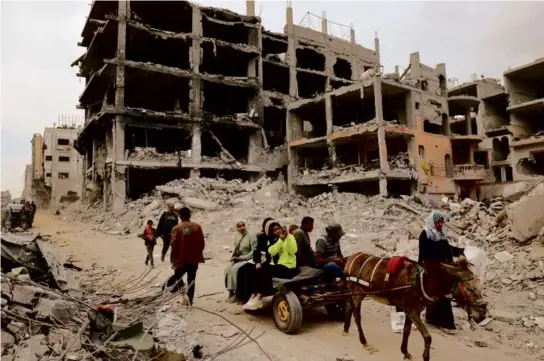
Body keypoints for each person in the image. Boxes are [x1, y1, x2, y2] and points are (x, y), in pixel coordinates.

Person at [419, 211, 463, 330]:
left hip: (443, 266)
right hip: (431, 266)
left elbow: (447, 249)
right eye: (438, 222)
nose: (440, 224)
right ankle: (437, 320)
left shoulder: (441, 234)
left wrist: (459, 251)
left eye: (442, 222)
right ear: (432, 222)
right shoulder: (425, 234)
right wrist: (439, 252)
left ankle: (442, 321)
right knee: (438, 293)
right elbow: (425, 252)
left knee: (446, 293)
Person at [243, 220, 298, 311]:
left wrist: (287, 237)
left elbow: (293, 250)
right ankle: (255, 296)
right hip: (281, 266)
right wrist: (281, 240)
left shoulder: (290, 237)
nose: (277, 231)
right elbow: (271, 251)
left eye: (278, 229)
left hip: (289, 268)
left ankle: (259, 297)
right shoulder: (276, 240)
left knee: (265, 271)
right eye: (275, 230)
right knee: (259, 270)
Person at [170, 207, 205, 306]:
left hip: (181, 259)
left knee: (178, 277)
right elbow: (202, 244)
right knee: (191, 279)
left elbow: (173, 245)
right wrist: (197, 254)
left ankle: (183, 294)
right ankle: (190, 299)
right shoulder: (197, 227)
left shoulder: (176, 228)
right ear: (189, 215)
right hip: (194, 259)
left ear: (180, 216)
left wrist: (173, 260)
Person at [235, 217, 273, 304]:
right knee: (242, 270)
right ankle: (242, 297)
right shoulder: (261, 236)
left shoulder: (276, 237)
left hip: (269, 262)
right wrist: (258, 261)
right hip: (260, 260)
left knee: (252, 272)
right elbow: (257, 251)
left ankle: (254, 295)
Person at [224, 221, 257, 303]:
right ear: (237, 228)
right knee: (227, 269)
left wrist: (243, 258)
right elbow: (237, 249)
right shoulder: (238, 236)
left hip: (249, 258)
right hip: (239, 258)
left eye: (243, 225)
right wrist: (235, 257)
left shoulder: (251, 236)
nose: (242, 227)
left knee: (235, 269)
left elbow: (254, 250)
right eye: (239, 226)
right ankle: (231, 291)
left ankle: (238, 294)